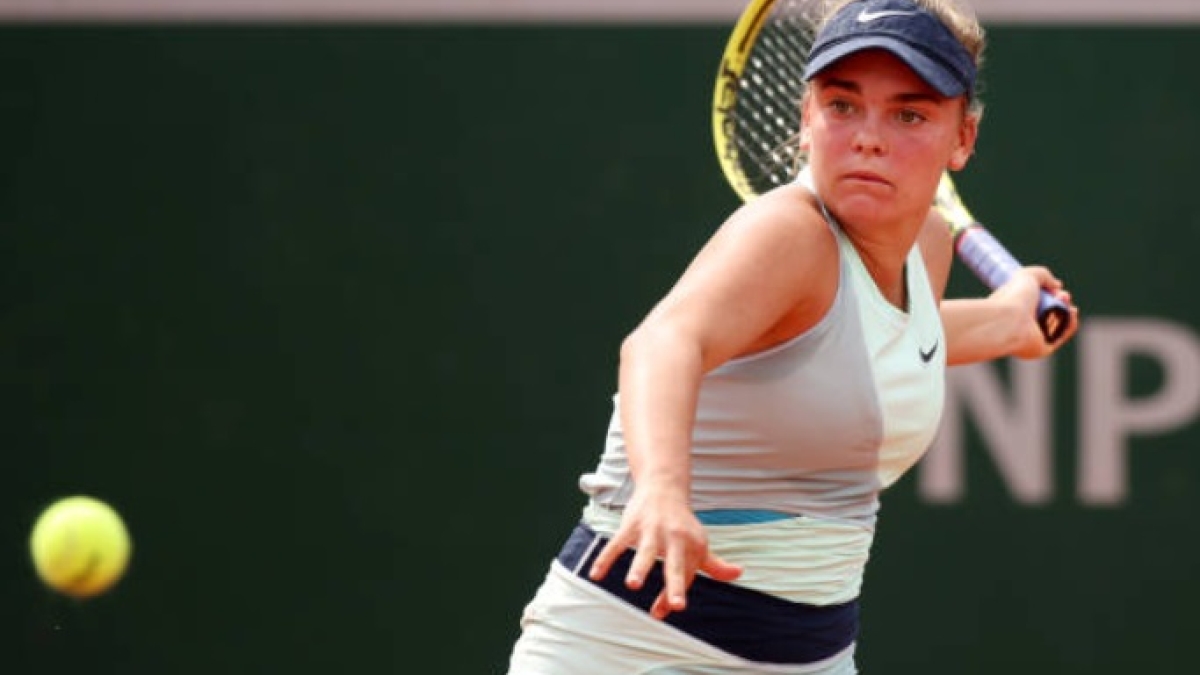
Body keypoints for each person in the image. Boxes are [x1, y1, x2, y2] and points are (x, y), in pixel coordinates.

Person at [505, 0, 1079, 672]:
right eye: (842, 106)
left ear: (963, 138)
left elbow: (867, 342)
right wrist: (662, 488)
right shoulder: (786, 232)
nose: (869, 136)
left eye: (909, 114)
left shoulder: (925, 247)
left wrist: (1009, 322)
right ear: (805, 119)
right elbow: (664, 341)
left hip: (812, 655)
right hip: (631, 644)